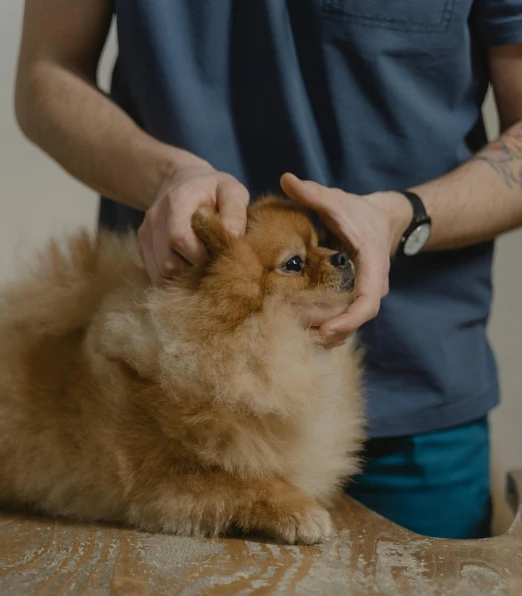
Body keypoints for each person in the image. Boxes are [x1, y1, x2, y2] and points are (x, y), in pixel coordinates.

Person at [14, 0, 522, 538]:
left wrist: (405, 215)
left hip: (420, 398)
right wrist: (167, 175)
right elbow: (45, 74)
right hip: (169, 419)